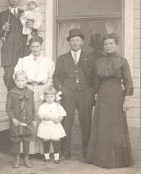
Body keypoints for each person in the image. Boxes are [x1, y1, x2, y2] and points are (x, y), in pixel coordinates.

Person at [86, 33, 134, 168]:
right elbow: (96, 80)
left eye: (111, 43)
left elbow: (128, 82)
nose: (108, 46)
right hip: (102, 95)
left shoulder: (122, 61)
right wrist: (95, 94)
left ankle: (116, 160)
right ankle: (101, 159)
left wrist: (127, 100)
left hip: (116, 94)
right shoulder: (99, 61)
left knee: (115, 126)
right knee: (102, 125)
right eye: (106, 44)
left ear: (116, 45)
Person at [53, 28, 96, 160]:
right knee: (66, 123)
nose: (75, 42)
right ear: (69, 42)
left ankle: (86, 153)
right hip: (68, 94)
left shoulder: (89, 57)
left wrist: (92, 92)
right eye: (72, 40)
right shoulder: (62, 59)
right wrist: (61, 89)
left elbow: (94, 77)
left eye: (77, 40)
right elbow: (56, 76)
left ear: (82, 42)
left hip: (85, 94)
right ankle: (66, 153)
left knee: (86, 123)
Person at [13, 36, 55, 154]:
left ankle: (43, 151)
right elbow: (15, 75)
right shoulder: (23, 61)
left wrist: (45, 91)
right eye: (33, 46)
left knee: (41, 118)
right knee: (28, 117)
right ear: (29, 47)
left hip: (43, 89)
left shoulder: (48, 62)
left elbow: (52, 78)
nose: (35, 49)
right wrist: (24, 85)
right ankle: (28, 152)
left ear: (41, 46)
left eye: (37, 46)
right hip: (27, 89)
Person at [0, 0, 27, 91]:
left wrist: (31, 25)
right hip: (9, 52)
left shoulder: (25, 14)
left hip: (24, 51)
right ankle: (12, 102)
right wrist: (2, 29)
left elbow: (33, 33)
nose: (14, 0)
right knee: (9, 78)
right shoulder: (1, 16)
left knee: (25, 78)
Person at [6, 70, 37, 168]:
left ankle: (26, 158)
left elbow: (33, 107)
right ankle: (17, 159)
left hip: (27, 122)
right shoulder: (11, 93)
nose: (20, 83)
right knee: (16, 141)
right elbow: (8, 108)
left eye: (22, 80)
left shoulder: (30, 93)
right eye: (18, 80)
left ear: (26, 80)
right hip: (16, 122)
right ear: (15, 81)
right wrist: (13, 118)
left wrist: (34, 119)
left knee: (26, 140)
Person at [37, 87, 66, 164]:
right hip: (46, 126)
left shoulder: (57, 106)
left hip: (55, 127)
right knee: (46, 142)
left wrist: (59, 119)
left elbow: (62, 114)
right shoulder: (43, 106)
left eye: (51, 97)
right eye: (47, 97)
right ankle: (46, 156)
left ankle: (56, 157)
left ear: (55, 97)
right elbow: (41, 116)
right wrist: (50, 117)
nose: (49, 99)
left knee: (56, 142)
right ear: (44, 97)